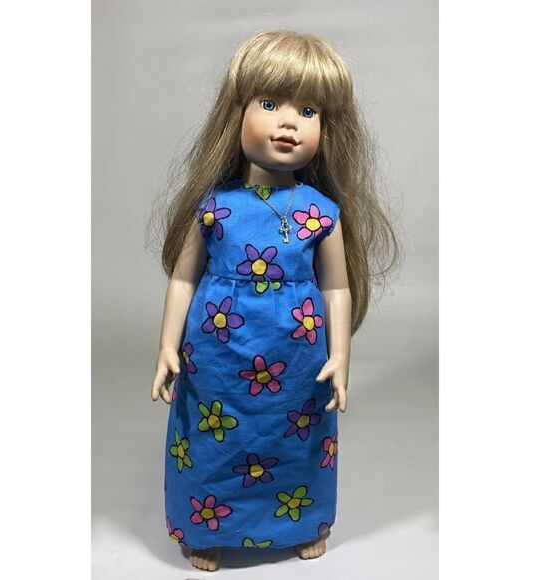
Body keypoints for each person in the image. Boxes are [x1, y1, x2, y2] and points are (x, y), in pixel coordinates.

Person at [150, 30, 399, 572]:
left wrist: (341, 356)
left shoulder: (320, 212)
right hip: (216, 359)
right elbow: (183, 279)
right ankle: (207, 527)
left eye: (308, 111)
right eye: (269, 104)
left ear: (327, 130)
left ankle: (302, 523)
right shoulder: (214, 207)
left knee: (299, 443)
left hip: (297, 361)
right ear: (235, 114)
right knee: (211, 442)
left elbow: (337, 288)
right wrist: (167, 345)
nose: (289, 123)